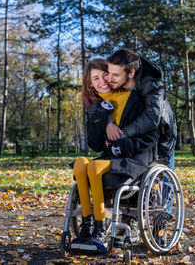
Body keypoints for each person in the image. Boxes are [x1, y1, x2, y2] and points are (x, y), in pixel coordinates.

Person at [70, 58, 159, 253]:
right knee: (80, 163)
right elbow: (94, 144)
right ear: (89, 83)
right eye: (96, 78)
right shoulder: (96, 106)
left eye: (105, 75)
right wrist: (104, 120)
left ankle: (100, 229)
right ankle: (87, 228)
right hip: (111, 157)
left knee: (93, 167)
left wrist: (124, 144)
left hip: (136, 157)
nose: (102, 81)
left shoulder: (133, 97)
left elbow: (152, 134)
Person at [105, 48, 177, 245]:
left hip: (162, 136)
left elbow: (153, 118)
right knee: (131, 176)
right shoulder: (114, 80)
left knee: (162, 180)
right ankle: (129, 219)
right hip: (133, 138)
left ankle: (160, 225)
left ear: (131, 73)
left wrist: (124, 132)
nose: (110, 78)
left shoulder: (152, 84)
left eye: (115, 74)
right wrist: (108, 124)